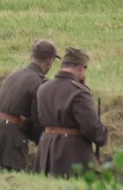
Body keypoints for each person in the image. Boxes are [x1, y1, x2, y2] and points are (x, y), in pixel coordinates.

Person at [0, 40, 60, 172]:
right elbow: (37, 120)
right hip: (10, 145)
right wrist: (44, 142)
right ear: (49, 61)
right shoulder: (40, 83)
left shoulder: (14, 75)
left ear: (31, 57)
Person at [34, 47, 108, 177]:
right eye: (84, 70)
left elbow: (37, 120)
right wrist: (102, 135)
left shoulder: (43, 88)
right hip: (71, 155)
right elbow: (91, 127)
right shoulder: (79, 92)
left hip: (45, 151)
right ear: (80, 68)